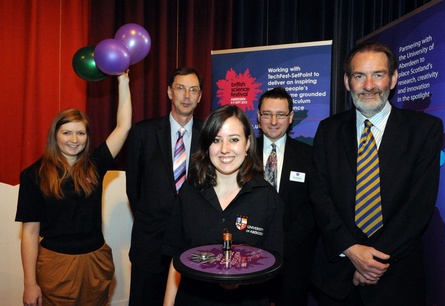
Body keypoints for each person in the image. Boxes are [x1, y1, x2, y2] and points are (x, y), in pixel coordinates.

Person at [308, 41, 444, 305]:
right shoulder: (328, 130)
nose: (368, 85)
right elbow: (319, 195)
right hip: (336, 279)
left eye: (378, 74)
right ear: (347, 82)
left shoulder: (424, 130)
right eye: (359, 76)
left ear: (393, 78)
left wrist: (371, 263)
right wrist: (352, 251)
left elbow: (419, 205)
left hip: (397, 278)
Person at [15, 71, 131, 306]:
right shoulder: (33, 175)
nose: (74, 139)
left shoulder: (95, 165)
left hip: (96, 261)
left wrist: (123, 81)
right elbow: (29, 233)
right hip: (56, 265)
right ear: (54, 135)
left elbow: (124, 126)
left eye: (81, 132)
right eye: (66, 132)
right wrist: (29, 283)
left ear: (88, 137)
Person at [162, 105, 284, 306]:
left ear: (247, 144)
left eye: (234, 139)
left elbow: (273, 267)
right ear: (207, 145)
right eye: (216, 140)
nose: (225, 149)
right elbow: (176, 260)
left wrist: (239, 279)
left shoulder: (267, 198)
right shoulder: (189, 193)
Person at [126, 67, 204, 305]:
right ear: (170, 92)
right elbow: (134, 188)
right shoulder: (143, 133)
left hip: (194, 242)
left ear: (200, 96)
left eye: (193, 90)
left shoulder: (210, 135)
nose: (187, 96)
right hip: (150, 243)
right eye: (181, 88)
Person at [256, 87, 317, 306]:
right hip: (249, 256)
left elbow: (313, 206)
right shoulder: (242, 154)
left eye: (280, 114)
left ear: (290, 117)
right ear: (258, 116)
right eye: (267, 114)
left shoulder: (309, 156)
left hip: (294, 259)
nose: (273, 121)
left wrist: (283, 244)